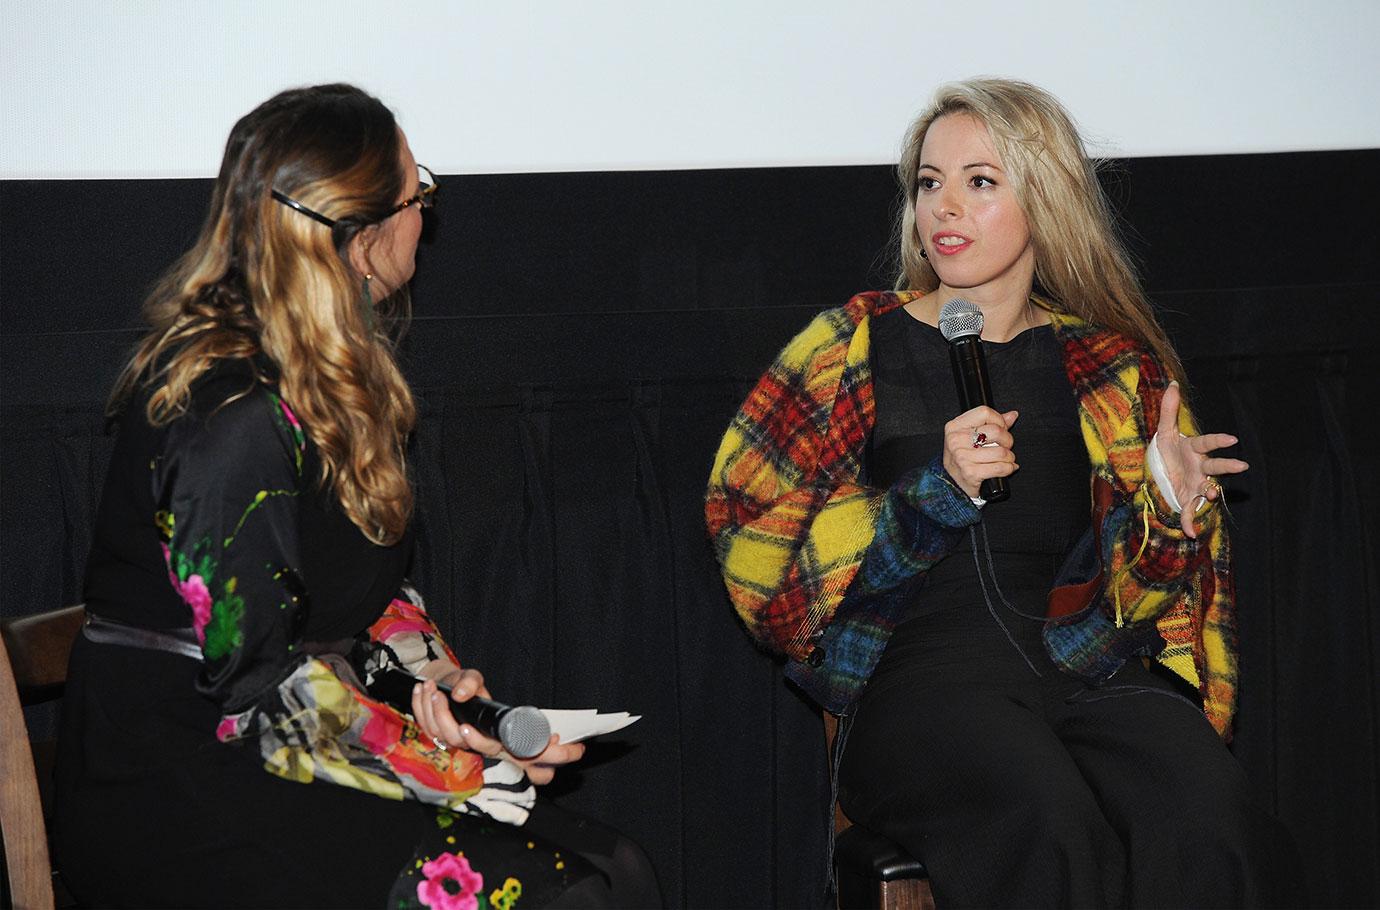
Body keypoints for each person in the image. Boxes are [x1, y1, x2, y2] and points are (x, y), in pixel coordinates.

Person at [54, 83, 659, 909]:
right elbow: (255, 691)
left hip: (282, 746)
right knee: (570, 895)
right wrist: (444, 763)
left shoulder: (327, 371)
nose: (428, 214)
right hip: (183, 782)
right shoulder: (231, 411)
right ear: (362, 239)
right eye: (419, 194)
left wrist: (446, 694)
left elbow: (356, 593)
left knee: (620, 868)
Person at [705, 78, 1297, 907]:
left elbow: (1161, 607)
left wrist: (1168, 513)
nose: (944, 206)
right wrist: (931, 494)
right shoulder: (848, 350)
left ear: (1045, 201)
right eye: (929, 182)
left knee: (1212, 817)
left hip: (1083, 666)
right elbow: (761, 568)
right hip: (921, 683)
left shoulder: (1113, 368)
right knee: (1048, 825)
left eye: (980, 181)